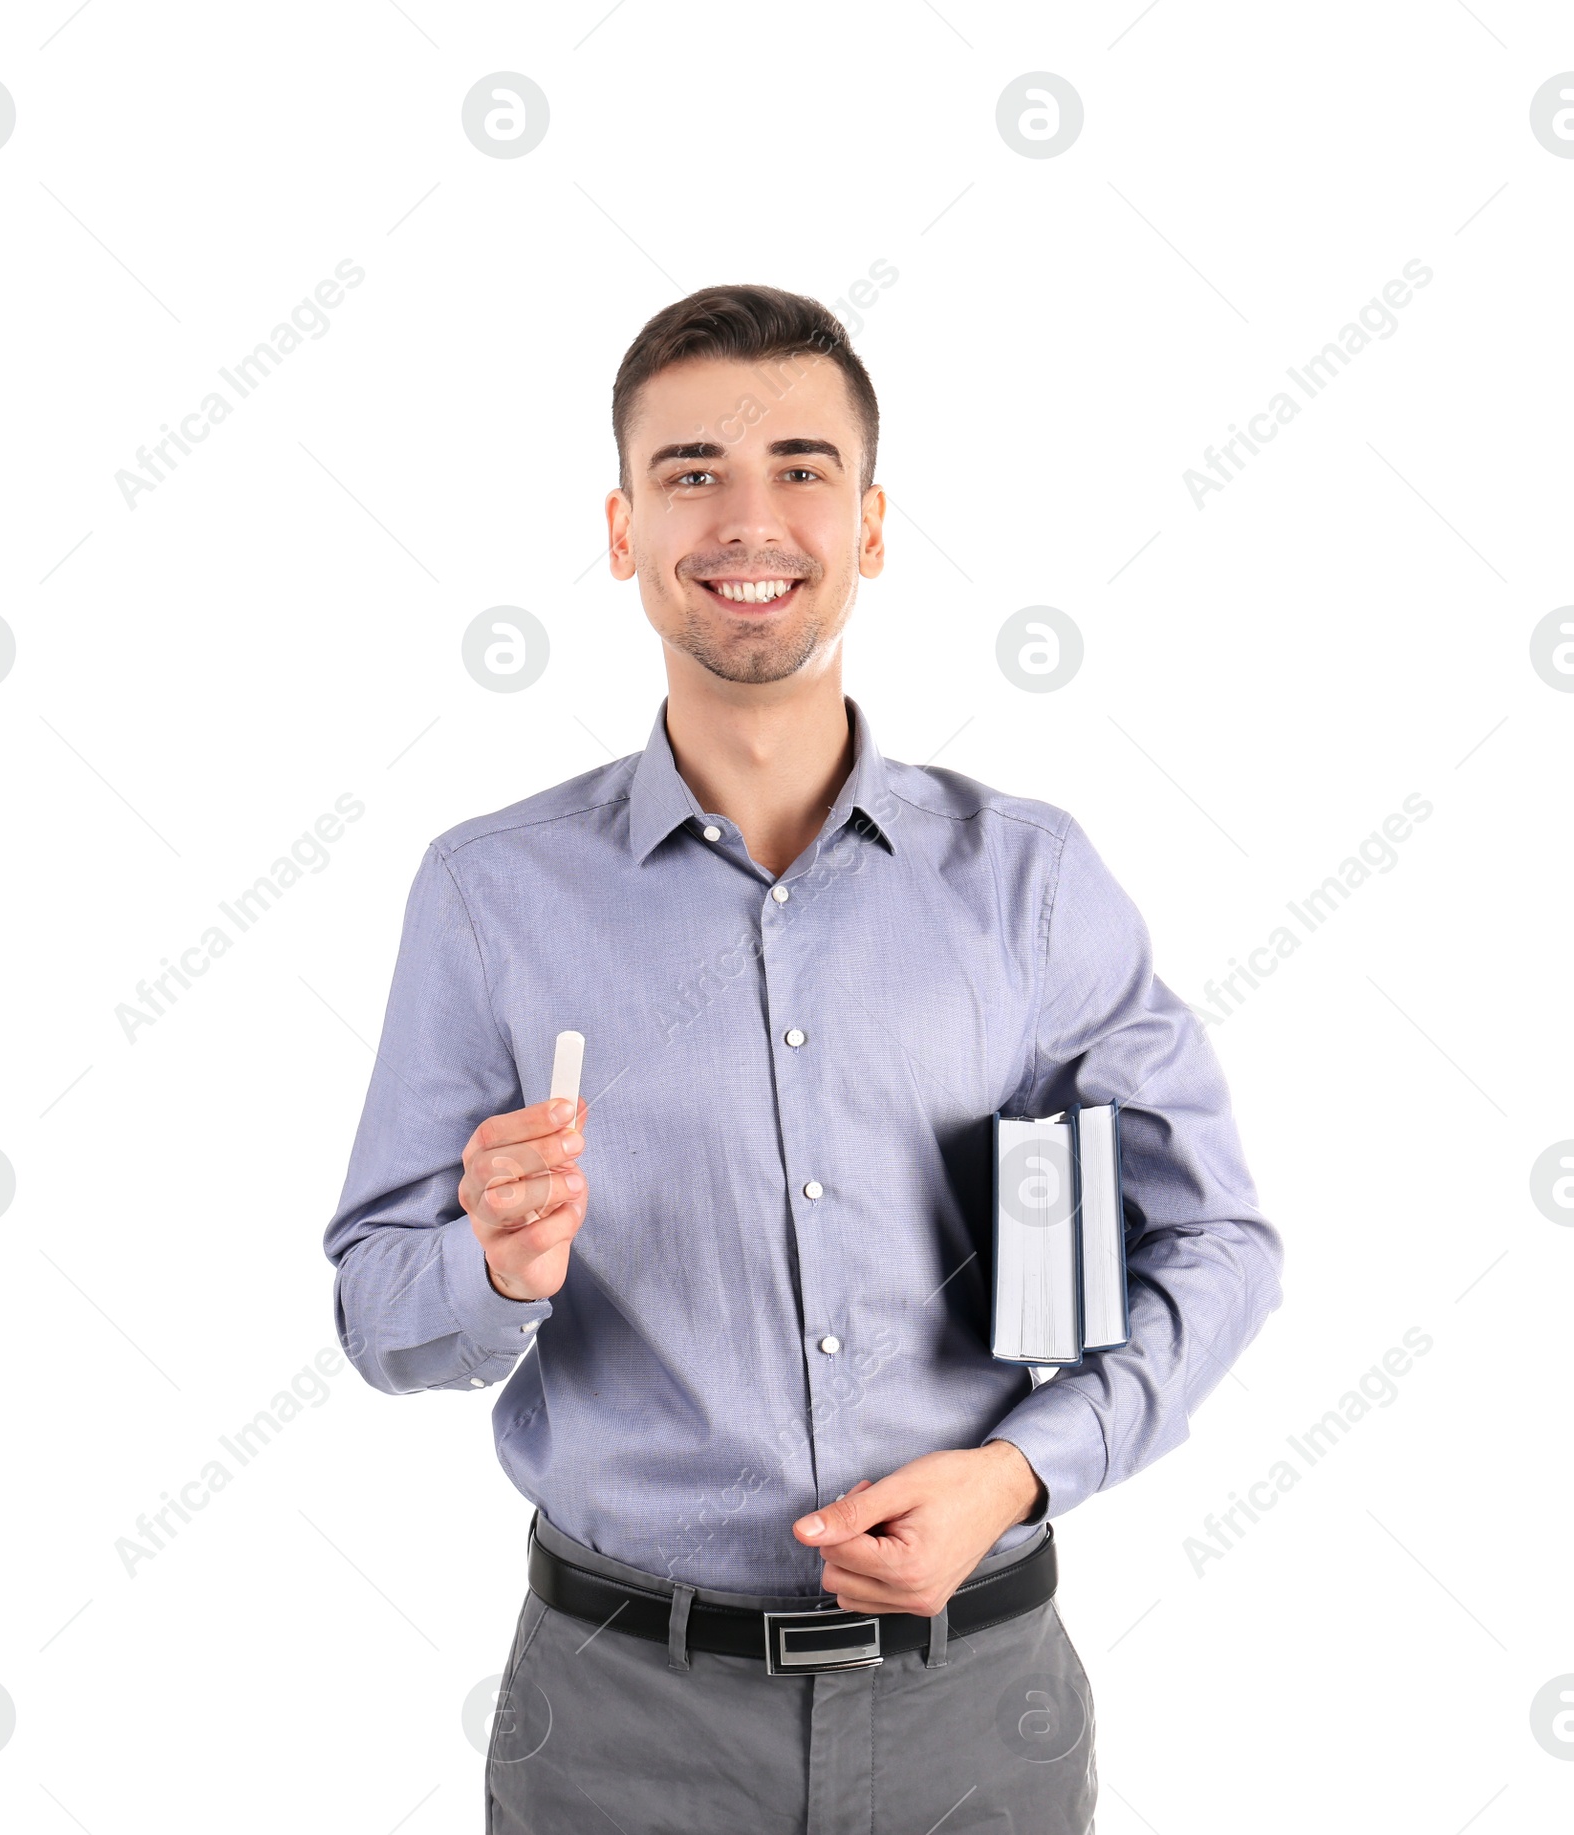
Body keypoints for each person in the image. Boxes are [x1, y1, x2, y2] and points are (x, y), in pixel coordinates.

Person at [323, 284, 1285, 1834]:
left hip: (981, 1711)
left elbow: (1218, 1241)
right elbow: (380, 1312)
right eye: (694, 469)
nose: (749, 518)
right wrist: (491, 1273)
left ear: (875, 523)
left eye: (804, 469)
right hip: (614, 1726)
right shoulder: (488, 898)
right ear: (625, 528)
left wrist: (1022, 1473)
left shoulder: (1028, 886)